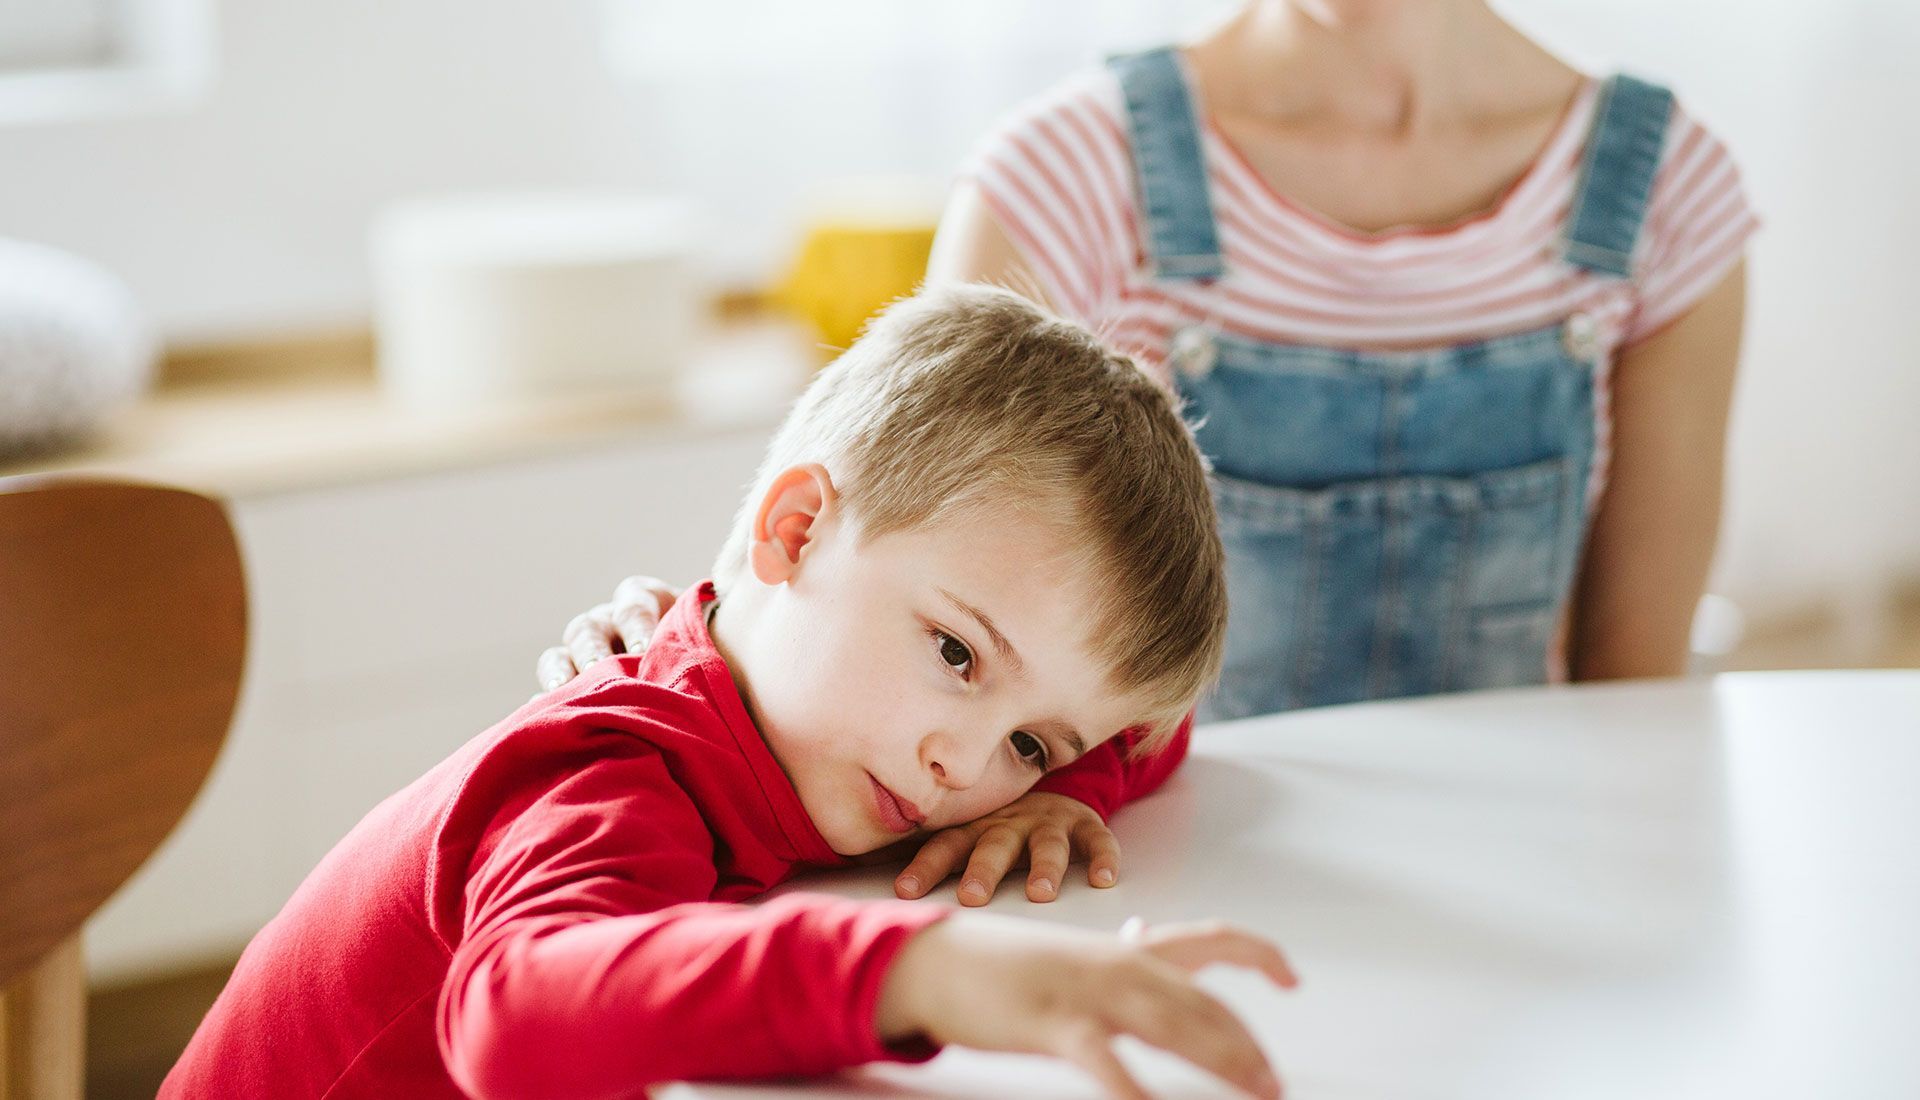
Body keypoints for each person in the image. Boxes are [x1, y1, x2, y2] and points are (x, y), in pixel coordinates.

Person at [547, 1, 1754, 911]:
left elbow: (1629, 704)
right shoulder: (1072, 172)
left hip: (1514, 882)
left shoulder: (1664, 191)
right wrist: (657, 642)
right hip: (1146, 883)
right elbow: (848, 557)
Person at [163, 286, 1296, 1100]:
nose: (965, 764)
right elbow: (513, 1013)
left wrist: (1065, 781)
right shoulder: (615, 766)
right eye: (956, 654)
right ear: (793, 531)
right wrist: (925, 969)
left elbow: (1151, 720)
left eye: (1030, 741)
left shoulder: (830, 727)